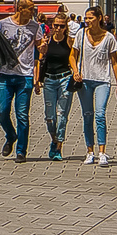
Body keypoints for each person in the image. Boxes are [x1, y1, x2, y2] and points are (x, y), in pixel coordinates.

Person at [0, 0, 44, 161]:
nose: (34, 12)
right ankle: (11, 135)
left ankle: (21, 151)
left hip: (25, 76)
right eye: (31, 8)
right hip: (5, 74)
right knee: (1, 110)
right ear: (20, 9)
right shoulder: (3, 24)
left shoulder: (35, 27)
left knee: (22, 115)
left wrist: (43, 50)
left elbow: (40, 48)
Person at [74, 5, 117, 166]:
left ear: (99, 18)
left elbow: (115, 62)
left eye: (91, 18)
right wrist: (75, 71)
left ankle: (102, 152)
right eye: (86, 18)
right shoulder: (81, 34)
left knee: (100, 114)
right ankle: (90, 151)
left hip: (103, 80)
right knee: (87, 115)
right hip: (85, 80)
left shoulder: (109, 37)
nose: (87, 21)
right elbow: (72, 56)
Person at [36, 13, 78, 161]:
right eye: (56, 25)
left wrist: (77, 73)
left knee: (61, 115)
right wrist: (37, 81)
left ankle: (58, 147)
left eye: (61, 26)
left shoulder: (70, 41)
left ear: (66, 27)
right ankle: (54, 139)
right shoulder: (46, 40)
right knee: (49, 117)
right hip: (48, 80)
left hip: (65, 79)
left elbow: (75, 59)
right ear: (52, 26)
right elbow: (39, 61)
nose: (58, 28)